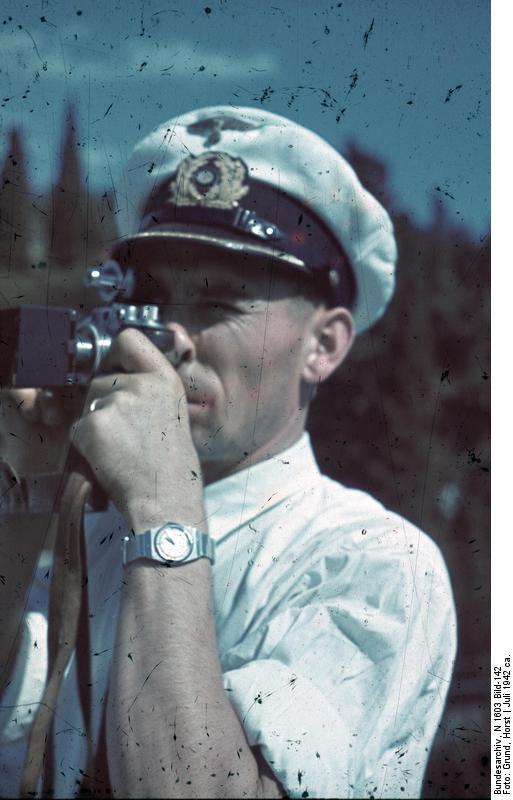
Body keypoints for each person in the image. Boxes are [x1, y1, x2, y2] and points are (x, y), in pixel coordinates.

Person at [0, 106, 456, 799]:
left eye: (219, 303)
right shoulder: (94, 529)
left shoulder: (372, 562)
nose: (171, 337)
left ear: (324, 345)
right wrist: (30, 488)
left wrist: (162, 509)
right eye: (149, 300)